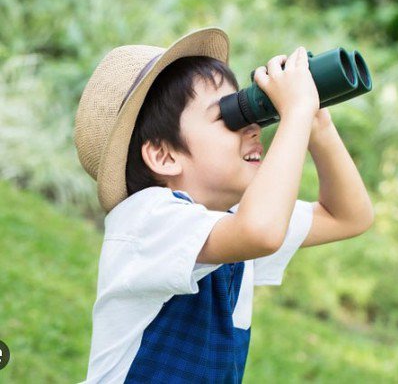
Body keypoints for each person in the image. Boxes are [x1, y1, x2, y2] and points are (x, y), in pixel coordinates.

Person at [73, 27, 374, 383]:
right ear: (164, 155)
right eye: (229, 116)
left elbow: (348, 217)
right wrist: (294, 113)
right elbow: (260, 231)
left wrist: (316, 123)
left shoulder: (229, 220)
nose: (252, 127)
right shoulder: (146, 220)